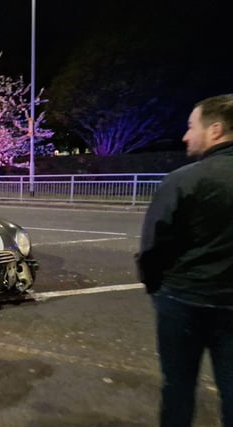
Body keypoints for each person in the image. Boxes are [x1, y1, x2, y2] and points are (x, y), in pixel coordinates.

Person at [136, 94, 233, 427]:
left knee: (178, 386)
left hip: (185, 300)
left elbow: (153, 247)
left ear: (216, 130)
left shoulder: (184, 180)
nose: (185, 136)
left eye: (192, 127)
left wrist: (156, 287)